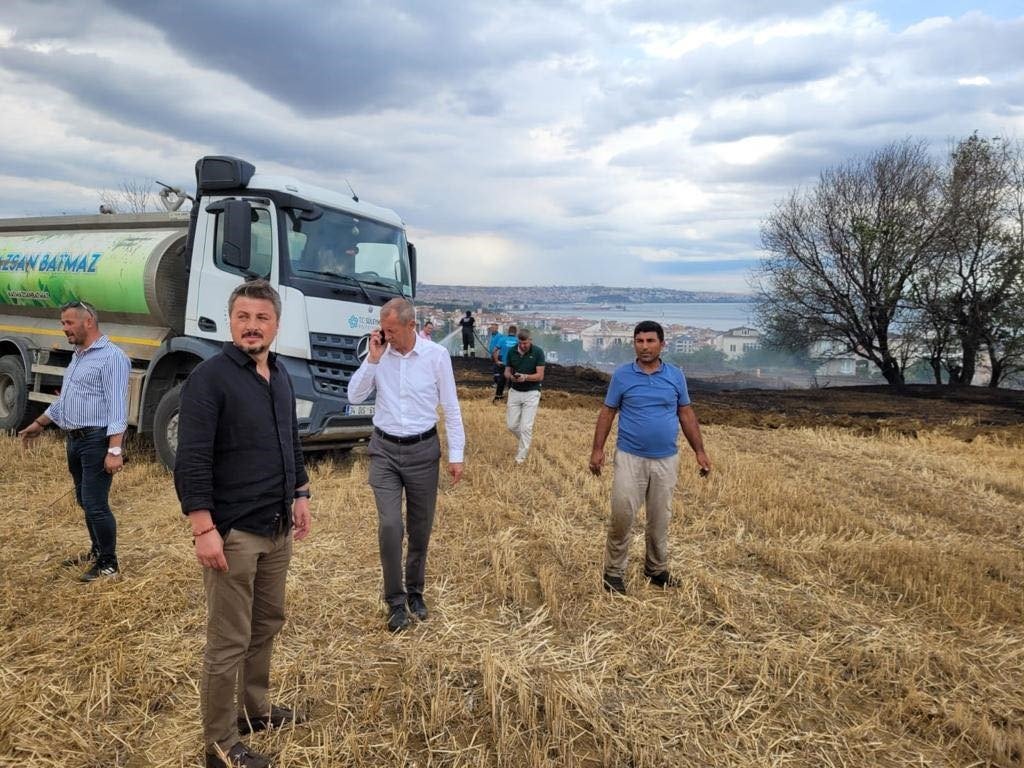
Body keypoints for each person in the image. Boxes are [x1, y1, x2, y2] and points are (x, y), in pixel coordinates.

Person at [174, 280, 312, 768]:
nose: (252, 326)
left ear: (276, 324)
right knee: (228, 639)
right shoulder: (210, 379)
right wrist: (203, 527)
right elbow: (191, 460)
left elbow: (289, 440)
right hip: (234, 531)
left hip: (275, 526)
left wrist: (300, 494)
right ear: (230, 321)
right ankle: (220, 743)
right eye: (243, 317)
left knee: (267, 623)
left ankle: (256, 711)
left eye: (262, 318)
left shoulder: (281, 373)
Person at [348, 298, 465, 633]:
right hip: (384, 450)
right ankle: (395, 602)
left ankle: (415, 592)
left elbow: (451, 407)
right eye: (383, 330)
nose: (387, 337)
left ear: (411, 326)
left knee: (419, 528)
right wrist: (372, 359)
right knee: (390, 527)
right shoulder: (378, 354)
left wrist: (456, 454)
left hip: (422, 451)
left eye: (392, 331)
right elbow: (354, 396)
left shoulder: (436, 357)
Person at [589, 321, 711, 595]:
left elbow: (686, 414)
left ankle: (656, 569)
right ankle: (613, 572)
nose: (644, 346)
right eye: (640, 341)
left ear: (662, 344)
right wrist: (597, 450)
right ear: (634, 344)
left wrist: (699, 451)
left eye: (650, 341)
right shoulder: (622, 376)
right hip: (630, 457)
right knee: (622, 515)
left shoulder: (676, 376)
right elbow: (607, 413)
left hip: (666, 459)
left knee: (660, 518)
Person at [18, 300, 130, 582]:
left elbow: (118, 408)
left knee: (95, 502)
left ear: (88, 321)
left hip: (95, 440)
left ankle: (109, 565)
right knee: (83, 499)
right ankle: (96, 550)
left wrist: (114, 450)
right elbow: (67, 400)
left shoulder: (112, 357)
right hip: (75, 440)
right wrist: (40, 423)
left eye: (69, 323)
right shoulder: (79, 355)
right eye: (63, 323)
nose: (64, 329)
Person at [504, 328, 545, 464]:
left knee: (526, 427)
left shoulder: (538, 352)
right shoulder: (511, 351)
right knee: (511, 425)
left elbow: (540, 375)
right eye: (520, 343)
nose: (523, 346)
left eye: (525, 343)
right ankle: (526, 442)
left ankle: (520, 458)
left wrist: (525, 377)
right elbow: (507, 372)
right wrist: (512, 377)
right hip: (515, 391)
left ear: (530, 341)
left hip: (532, 392)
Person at [492, 323, 517, 401]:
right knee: (512, 381)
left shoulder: (502, 339)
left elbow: (494, 351)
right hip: (514, 365)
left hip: (503, 364)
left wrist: (497, 361)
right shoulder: (518, 340)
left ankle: (498, 397)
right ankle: (511, 399)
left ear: (508, 331)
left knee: (501, 381)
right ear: (516, 332)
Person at [485, 323, 505, 399]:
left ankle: (497, 383)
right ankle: (496, 382)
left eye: (494, 328)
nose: (492, 329)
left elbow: (498, 347)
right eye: (491, 328)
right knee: (495, 370)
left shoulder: (500, 336)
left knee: (497, 370)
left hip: (497, 356)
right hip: (492, 355)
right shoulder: (491, 336)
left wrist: (496, 356)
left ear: (497, 328)